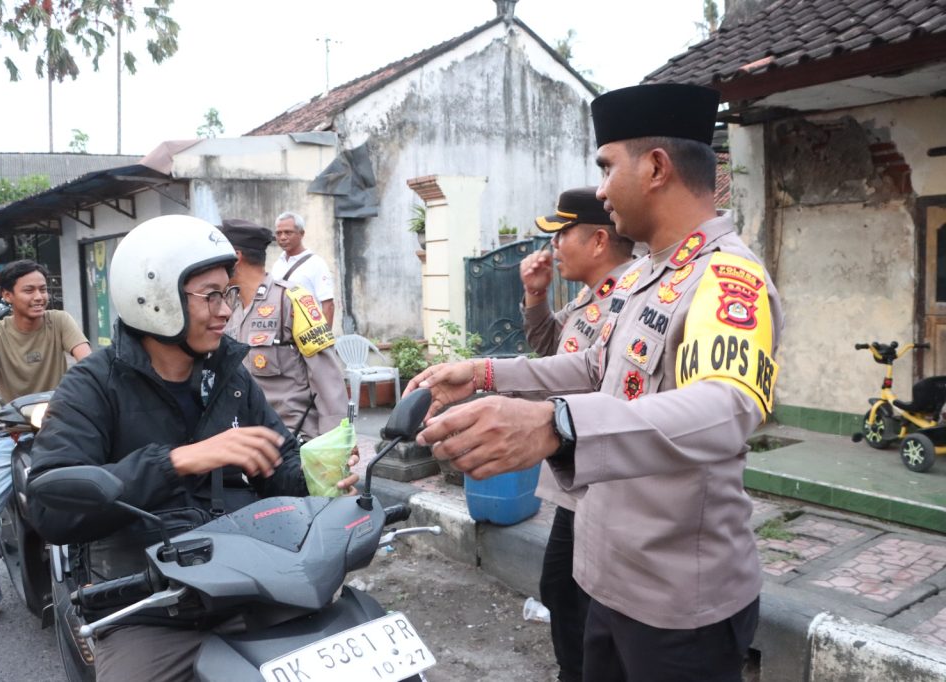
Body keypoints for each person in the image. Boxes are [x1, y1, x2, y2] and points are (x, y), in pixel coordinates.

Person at [408, 83, 784, 681]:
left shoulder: (726, 277)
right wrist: (482, 372)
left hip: (675, 603)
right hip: (606, 573)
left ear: (655, 168)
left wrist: (559, 424)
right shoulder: (643, 276)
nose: (601, 189)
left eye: (607, 167)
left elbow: (727, 406)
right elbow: (591, 366)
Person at [26, 215, 358, 682]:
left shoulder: (230, 375)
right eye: (210, 296)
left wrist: (317, 474)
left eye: (229, 294)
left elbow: (277, 462)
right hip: (149, 603)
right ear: (153, 297)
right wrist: (177, 461)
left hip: (252, 580)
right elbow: (50, 507)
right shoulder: (93, 385)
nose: (225, 311)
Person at [521, 186, 635, 682]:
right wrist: (536, 296)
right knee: (562, 589)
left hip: (602, 476)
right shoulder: (592, 295)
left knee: (583, 598)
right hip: (576, 476)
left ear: (598, 240)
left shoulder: (631, 297)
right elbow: (552, 350)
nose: (554, 246)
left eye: (562, 234)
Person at [0, 259, 91, 634]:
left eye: (43, 289)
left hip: (63, 428)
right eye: (29, 290)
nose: (39, 296)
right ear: (8, 296)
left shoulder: (60, 321)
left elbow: (87, 362)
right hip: (13, 434)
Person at [220, 218, 348, 440]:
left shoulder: (293, 299)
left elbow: (326, 377)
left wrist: (337, 441)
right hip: (247, 439)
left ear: (236, 256)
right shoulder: (228, 306)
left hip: (291, 437)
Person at [271, 211, 335, 327]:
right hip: (282, 332)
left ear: (301, 233)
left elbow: (328, 305)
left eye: (288, 232)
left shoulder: (316, 264)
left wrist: (325, 336)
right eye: (278, 233)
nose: (282, 237)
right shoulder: (278, 264)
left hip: (307, 332)